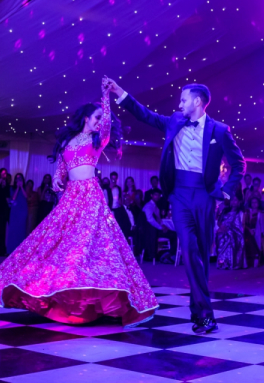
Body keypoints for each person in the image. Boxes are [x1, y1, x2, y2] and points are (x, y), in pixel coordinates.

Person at [0, 84, 157, 327]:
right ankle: (65, 299)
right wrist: (55, 179)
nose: (99, 122)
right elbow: (61, 170)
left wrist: (105, 96)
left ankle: (96, 301)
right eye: (96, 118)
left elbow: (106, 127)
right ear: (85, 118)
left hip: (91, 197)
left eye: (101, 119)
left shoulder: (98, 140)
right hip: (70, 198)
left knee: (89, 247)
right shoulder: (68, 143)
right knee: (56, 246)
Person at [104, 77, 245, 335]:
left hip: (204, 196)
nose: (179, 103)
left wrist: (225, 192)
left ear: (197, 102)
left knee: (201, 255)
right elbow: (144, 114)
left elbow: (239, 165)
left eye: (183, 99)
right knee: (190, 250)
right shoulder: (174, 120)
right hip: (178, 194)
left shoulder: (220, 130)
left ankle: (198, 307)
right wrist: (120, 92)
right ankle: (205, 315)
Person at [141, 190, 177, 259]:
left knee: (174, 233)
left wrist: (163, 226)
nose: (157, 196)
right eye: (155, 195)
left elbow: (158, 219)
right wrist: (161, 228)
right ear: (151, 195)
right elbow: (150, 219)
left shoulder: (155, 206)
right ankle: (170, 254)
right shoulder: (148, 205)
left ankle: (171, 253)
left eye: (158, 195)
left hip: (155, 230)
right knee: (175, 235)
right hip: (150, 232)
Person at [216, 194, 245, 270]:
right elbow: (219, 222)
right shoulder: (225, 210)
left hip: (236, 231)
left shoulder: (240, 212)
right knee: (220, 235)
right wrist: (222, 227)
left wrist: (229, 229)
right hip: (224, 228)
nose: (233, 202)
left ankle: (231, 263)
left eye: (235, 200)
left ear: (239, 202)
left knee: (229, 235)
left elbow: (241, 225)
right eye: (232, 200)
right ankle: (223, 262)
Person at [6, 173, 28, 254]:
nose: (18, 180)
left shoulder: (25, 187)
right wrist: (17, 188)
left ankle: (20, 250)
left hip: (23, 209)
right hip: (15, 210)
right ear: (15, 180)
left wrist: (21, 187)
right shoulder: (12, 188)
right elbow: (13, 197)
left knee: (21, 229)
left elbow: (26, 196)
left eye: (20, 178)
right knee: (13, 229)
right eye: (17, 178)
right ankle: (11, 249)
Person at [244, 196, 264, 266]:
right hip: (246, 230)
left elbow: (262, 226)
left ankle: (255, 257)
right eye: (252, 202)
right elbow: (243, 223)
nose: (254, 204)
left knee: (253, 235)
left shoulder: (260, 213)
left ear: (258, 204)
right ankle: (255, 255)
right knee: (248, 235)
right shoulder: (247, 212)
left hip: (256, 231)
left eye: (256, 202)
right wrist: (249, 230)